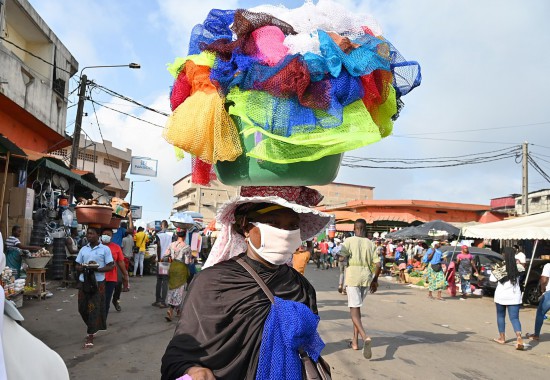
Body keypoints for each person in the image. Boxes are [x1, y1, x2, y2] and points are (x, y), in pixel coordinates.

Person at [162, 187, 332, 379]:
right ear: (245, 227)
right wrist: (192, 370)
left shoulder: (301, 286)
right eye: (273, 222)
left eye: (292, 225)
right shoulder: (213, 281)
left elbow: (308, 346)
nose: (284, 233)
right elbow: (180, 352)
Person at [338, 219, 381, 360]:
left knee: (353, 311)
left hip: (353, 278)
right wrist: (375, 280)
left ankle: (364, 337)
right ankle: (355, 342)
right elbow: (378, 264)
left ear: (355, 228)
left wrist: (340, 257)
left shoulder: (349, 241)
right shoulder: (371, 243)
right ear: (365, 229)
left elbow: (341, 257)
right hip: (366, 279)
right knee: (357, 309)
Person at [74, 227, 114, 348]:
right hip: (84, 281)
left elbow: (111, 266)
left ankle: (90, 334)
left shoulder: (105, 249)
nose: (89, 235)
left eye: (91, 233)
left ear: (98, 235)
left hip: (98, 283)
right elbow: (77, 264)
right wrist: (80, 268)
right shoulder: (83, 249)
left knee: (94, 308)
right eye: (88, 233)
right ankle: (93, 326)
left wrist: (98, 269)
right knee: (82, 308)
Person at [490, 247, 525, 350]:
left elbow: (492, 280)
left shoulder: (499, 267)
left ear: (504, 255)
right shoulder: (519, 267)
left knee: (501, 316)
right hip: (514, 296)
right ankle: (519, 338)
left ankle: (502, 338)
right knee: (514, 318)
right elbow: (522, 275)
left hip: (501, 295)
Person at [164, 230, 191, 322]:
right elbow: (187, 262)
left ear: (176, 234)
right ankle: (170, 310)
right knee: (178, 291)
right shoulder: (187, 247)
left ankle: (178, 310)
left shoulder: (171, 244)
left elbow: (166, 254)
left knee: (172, 289)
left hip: (172, 267)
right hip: (181, 269)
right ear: (185, 235)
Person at [101, 228, 129, 316]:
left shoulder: (116, 247)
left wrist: (125, 274)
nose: (106, 236)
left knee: (116, 287)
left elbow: (120, 261)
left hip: (112, 274)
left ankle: (115, 300)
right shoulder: (97, 246)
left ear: (112, 237)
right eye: (104, 234)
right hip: (99, 275)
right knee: (101, 297)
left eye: (108, 234)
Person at [525, 262, 550, 341]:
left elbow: (544, 280)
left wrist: (542, 289)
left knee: (540, 313)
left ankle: (536, 335)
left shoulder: (548, 266)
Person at [153, 220, 173, 308]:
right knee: (165, 280)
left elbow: (158, 247)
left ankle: (158, 300)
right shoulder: (171, 235)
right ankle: (163, 301)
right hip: (167, 258)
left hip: (161, 258)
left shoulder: (159, 235)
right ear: (167, 226)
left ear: (161, 226)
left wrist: (158, 258)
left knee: (159, 280)